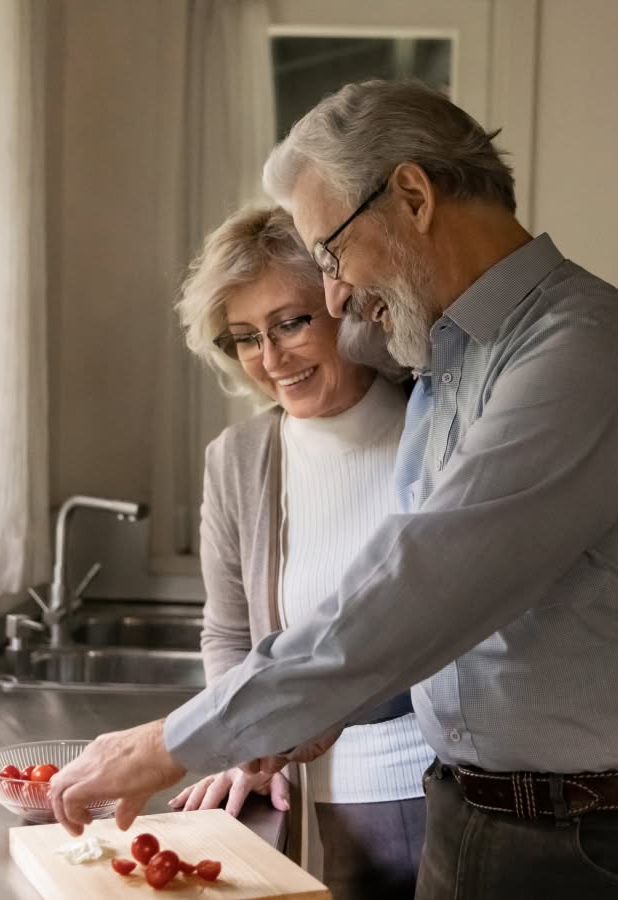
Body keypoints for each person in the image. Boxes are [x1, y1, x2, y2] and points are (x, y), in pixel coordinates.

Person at [49, 80, 618, 900]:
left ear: (414, 197)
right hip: (483, 819)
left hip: (615, 844)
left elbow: (426, 583)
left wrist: (173, 741)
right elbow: (462, 627)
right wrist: (316, 713)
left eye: (330, 253)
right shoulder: (449, 371)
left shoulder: (586, 354)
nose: (338, 292)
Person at [167, 205, 431, 900]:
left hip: (440, 791)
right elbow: (227, 633)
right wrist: (240, 741)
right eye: (246, 337)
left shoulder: (436, 425)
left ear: (347, 305)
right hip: (304, 805)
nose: (271, 359)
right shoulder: (237, 459)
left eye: (291, 322)